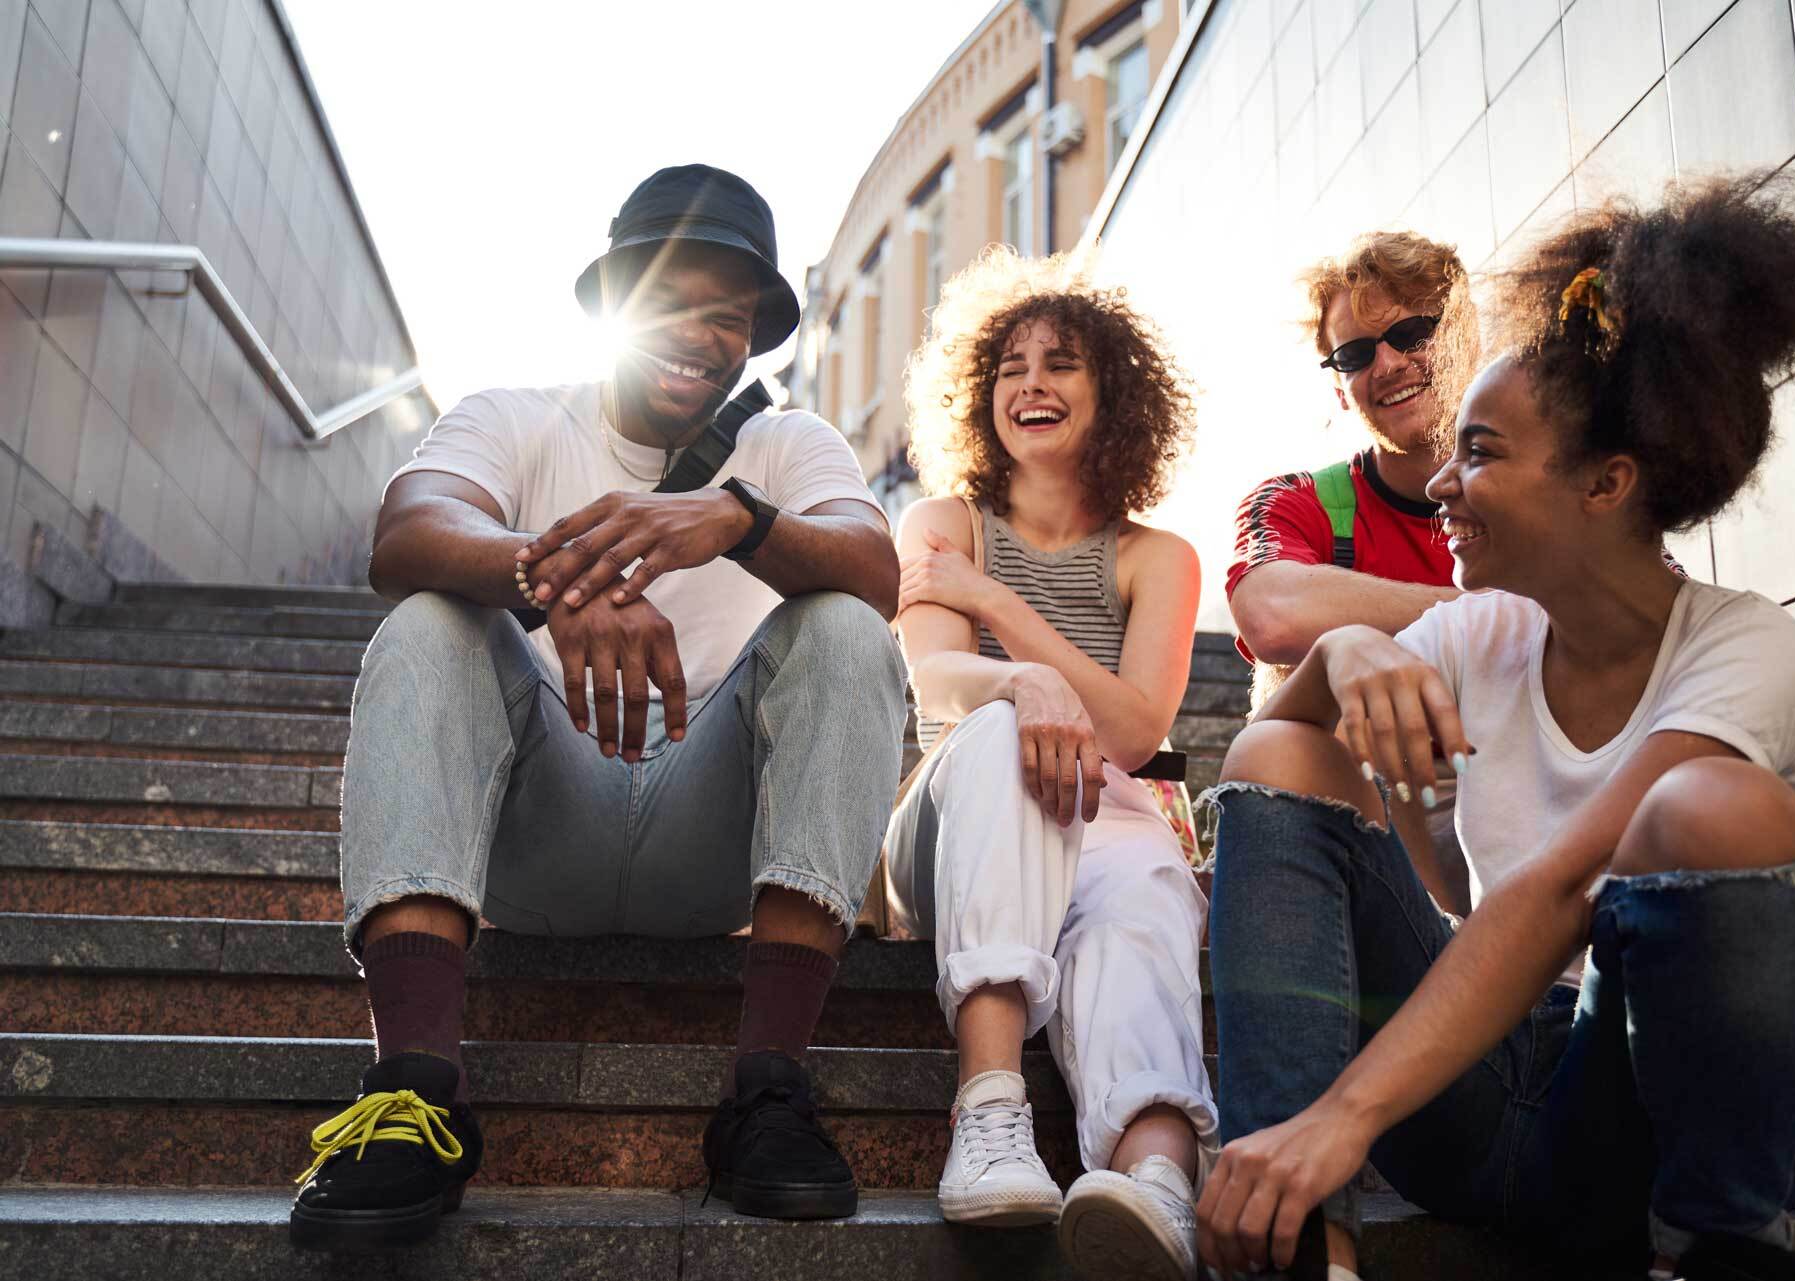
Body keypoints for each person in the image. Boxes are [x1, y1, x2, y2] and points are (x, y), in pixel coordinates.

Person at [1197, 175, 1795, 1281]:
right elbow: (1259, 764)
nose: (1441, 484)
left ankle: (1712, 1252)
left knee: (1721, 813)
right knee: (1286, 745)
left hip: (1627, 1101)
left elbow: (1569, 887)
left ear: (1606, 484)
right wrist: (1337, 657)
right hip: (1469, 1107)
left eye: (1479, 452)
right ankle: (1299, 1251)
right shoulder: (1485, 636)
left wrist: (1348, 1111)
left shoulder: (1750, 648)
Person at [289, 165, 908, 1251]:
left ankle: (767, 1096)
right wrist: (554, 582)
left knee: (848, 624)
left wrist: (738, 522)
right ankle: (414, 1096)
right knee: (434, 619)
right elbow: (406, 531)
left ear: (751, 340)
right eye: (671, 300)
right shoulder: (518, 419)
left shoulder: (786, 448)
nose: (701, 334)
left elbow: (877, 570)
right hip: (535, 835)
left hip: (711, 841)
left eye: (728, 316)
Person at [885, 246, 1218, 1279]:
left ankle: (1156, 1180)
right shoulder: (943, 524)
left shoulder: (1155, 556)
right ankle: (989, 1114)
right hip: (956, 824)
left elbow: (1128, 732)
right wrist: (1014, 687)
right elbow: (935, 680)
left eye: (1062, 363)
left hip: (1103, 811)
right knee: (996, 735)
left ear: (1112, 391)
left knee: (1147, 885)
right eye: (1010, 367)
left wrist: (1001, 612)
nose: (1030, 384)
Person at [1226, 231, 1469, 911]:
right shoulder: (1300, 501)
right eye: (1356, 354)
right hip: (1365, 855)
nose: (1388, 364)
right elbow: (1272, 613)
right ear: (1340, 388)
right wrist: (1494, 612)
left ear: (1465, 337)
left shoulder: (1557, 492)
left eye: (1413, 332)